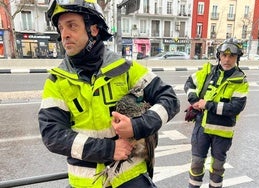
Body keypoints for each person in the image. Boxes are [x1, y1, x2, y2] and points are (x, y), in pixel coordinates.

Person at [38, 0, 180, 188]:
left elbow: (169, 99)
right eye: (61, 27)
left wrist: (137, 126)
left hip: (131, 179)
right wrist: (108, 149)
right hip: (85, 183)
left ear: (94, 29)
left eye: (72, 25)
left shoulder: (126, 69)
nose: (64, 34)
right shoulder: (56, 81)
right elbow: (52, 135)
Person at [184, 38, 249, 188]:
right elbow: (190, 83)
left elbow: (235, 107)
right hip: (201, 129)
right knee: (196, 164)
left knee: (217, 168)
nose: (227, 59)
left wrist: (207, 104)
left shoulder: (240, 81)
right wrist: (193, 99)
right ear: (219, 55)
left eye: (231, 56)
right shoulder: (207, 72)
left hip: (222, 133)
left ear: (237, 58)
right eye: (224, 55)